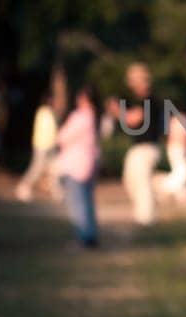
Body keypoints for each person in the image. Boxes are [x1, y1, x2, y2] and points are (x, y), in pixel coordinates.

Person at [108, 62, 163, 226]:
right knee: (132, 180)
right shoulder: (142, 100)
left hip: (146, 147)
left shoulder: (149, 100)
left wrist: (116, 110)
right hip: (139, 148)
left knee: (142, 182)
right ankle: (144, 213)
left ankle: (146, 217)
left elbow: (132, 119)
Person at [55, 85, 100, 248]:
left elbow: (62, 137)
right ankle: (90, 235)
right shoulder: (94, 116)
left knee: (77, 202)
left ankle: (84, 237)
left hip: (76, 165)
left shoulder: (81, 116)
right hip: (88, 163)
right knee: (86, 201)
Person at [15, 94, 61, 202]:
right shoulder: (44, 112)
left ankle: (57, 192)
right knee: (37, 168)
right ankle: (23, 187)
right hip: (43, 145)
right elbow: (48, 130)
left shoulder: (50, 113)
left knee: (54, 169)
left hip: (50, 146)